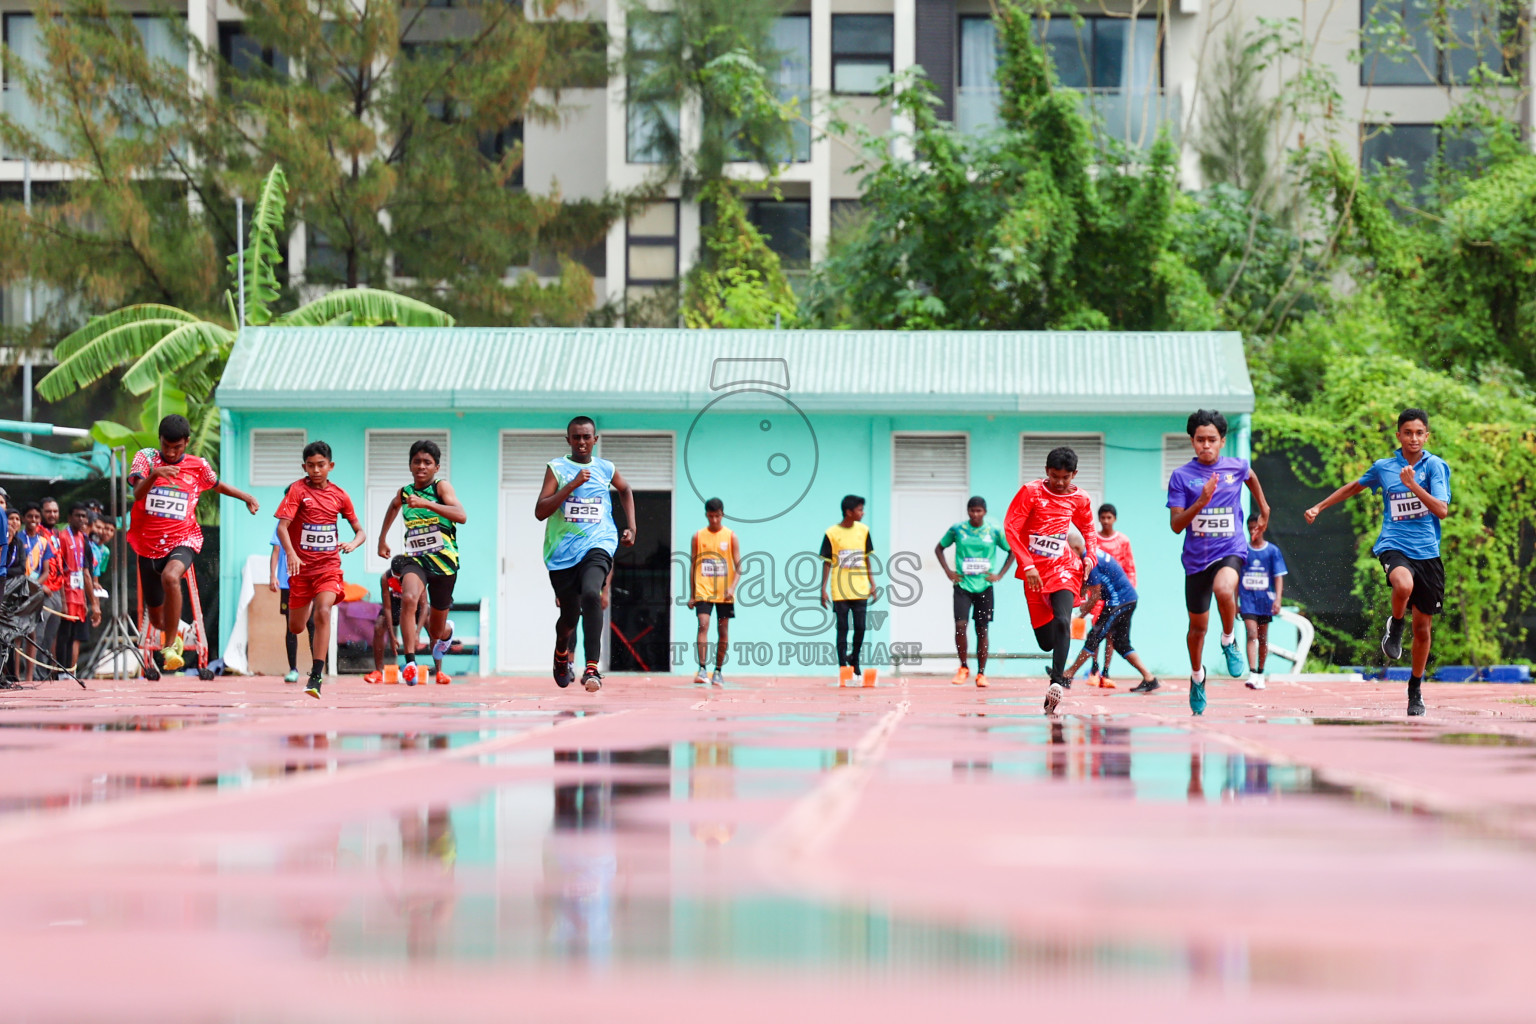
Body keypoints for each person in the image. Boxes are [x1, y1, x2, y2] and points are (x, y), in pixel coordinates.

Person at [1304, 408, 1449, 717]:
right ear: (1398, 436)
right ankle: (1396, 625)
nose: (1413, 438)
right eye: (1407, 432)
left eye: (1419, 433)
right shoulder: (1384, 468)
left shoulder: (1436, 467)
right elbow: (1354, 487)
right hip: (1394, 546)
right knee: (1402, 583)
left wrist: (1413, 485)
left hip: (1428, 555)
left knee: (1423, 630)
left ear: (1427, 436)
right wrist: (1320, 506)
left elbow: (1441, 510)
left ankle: (1415, 688)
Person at [128, 415, 260, 673]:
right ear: (160, 440)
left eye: (177, 447)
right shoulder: (146, 458)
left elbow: (217, 485)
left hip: (184, 538)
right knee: (156, 620)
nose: (171, 452)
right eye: (166, 446)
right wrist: (156, 474)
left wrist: (245, 496)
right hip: (148, 544)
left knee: (171, 577)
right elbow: (137, 493)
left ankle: (168, 649)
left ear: (187, 442)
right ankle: (175, 632)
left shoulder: (198, 466)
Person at [1167, 409, 1271, 716]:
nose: (1206, 446)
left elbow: (1250, 477)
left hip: (1231, 549)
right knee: (1197, 628)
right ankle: (1197, 677)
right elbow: (1176, 525)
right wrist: (1201, 500)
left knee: (1225, 590)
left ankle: (1229, 639)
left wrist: (1264, 508)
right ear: (1192, 441)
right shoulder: (1182, 477)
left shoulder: (1235, 467)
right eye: (1200, 440)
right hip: (1196, 560)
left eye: (1212, 439)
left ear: (1222, 441)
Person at [535, 416, 635, 694]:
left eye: (586, 437)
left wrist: (632, 527)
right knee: (569, 617)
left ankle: (592, 668)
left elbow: (625, 489)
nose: (581, 442)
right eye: (576, 437)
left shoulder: (606, 468)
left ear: (595, 440)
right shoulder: (557, 468)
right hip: (562, 553)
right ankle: (560, 652)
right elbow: (540, 511)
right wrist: (571, 485)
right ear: (568, 439)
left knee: (592, 594)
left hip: (598, 543)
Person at [1004, 447, 1097, 715]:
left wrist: (1090, 557)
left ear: (1074, 475)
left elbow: (1089, 529)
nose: (1059, 482)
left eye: (1065, 477)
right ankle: (1059, 653)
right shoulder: (1031, 492)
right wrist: (1028, 564)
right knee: (1046, 641)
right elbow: (1012, 529)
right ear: (1046, 471)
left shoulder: (1080, 498)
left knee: (1063, 620)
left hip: (1065, 568)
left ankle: (1056, 684)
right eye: (1055, 476)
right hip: (1034, 573)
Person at [275, 441, 365, 699]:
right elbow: (282, 528)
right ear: (304, 466)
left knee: (324, 611)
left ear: (330, 466)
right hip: (301, 570)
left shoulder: (340, 495)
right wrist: (291, 554)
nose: (316, 470)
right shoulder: (296, 490)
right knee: (295, 627)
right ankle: (308, 604)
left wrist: (353, 543)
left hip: (328, 568)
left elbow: (360, 531)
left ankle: (316, 676)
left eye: (321, 465)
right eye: (311, 466)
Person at [376, 440, 466, 686]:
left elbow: (461, 515)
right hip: (415, 560)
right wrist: (382, 538)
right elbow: (394, 507)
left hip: (445, 564)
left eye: (427, 462)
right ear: (410, 465)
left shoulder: (441, 487)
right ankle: (411, 663)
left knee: (436, 631)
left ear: (436, 467)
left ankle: (447, 632)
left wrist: (426, 504)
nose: (421, 467)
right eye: (417, 462)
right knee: (408, 598)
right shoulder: (405, 492)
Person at [935, 496, 1014, 688]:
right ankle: (963, 667)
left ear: (985, 512)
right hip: (962, 585)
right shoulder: (958, 529)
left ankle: (981, 673)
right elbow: (939, 548)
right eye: (972, 511)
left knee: (982, 629)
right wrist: (948, 571)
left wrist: (1000, 575)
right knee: (960, 626)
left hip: (984, 587)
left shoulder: (993, 530)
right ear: (968, 511)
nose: (975, 514)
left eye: (979, 511)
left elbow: (1012, 551)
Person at [1063, 533, 1159, 692]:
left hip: (1119, 600)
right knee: (1121, 643)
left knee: (1094, 636)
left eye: (1069, 551)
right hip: (1126, 599)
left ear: (1077, 548)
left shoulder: (1089, 559)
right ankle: (1149, 678)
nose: (1067, 555)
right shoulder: (1089, 555)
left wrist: (1081, 614)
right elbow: (1089, 584)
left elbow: (1096, 595)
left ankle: (1068, 675)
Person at [820, 494, 879, 687]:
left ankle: (855, 660)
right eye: (860, 510)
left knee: (861, 627)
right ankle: (842, 667)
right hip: (840, 590)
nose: (862, 513)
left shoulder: (864, 531)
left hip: (860, 589)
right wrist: (823, 589)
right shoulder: (831, 533)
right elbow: (827, 563)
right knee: (842, 629)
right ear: (849, 512)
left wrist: (873, 583)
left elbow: (867, 558)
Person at [687, 497, 741, 686]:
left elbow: (739, 566)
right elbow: (693, 566)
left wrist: (732, 588)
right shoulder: (698, 536)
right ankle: (702, 669)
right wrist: (692, 594)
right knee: (703, 624)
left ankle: (718, 671)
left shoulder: (730, 536)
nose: (714, 520)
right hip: (704, 589)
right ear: (706, 515)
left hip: (724, 593)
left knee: (723, 630)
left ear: (722, 515)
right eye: (711, 517)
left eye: (717, 516)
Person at [363, 556, 435, 685]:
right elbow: (387, 607)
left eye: (400, 577)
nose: (398, 580)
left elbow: (424, 606)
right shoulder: (386, 578)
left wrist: (417, 633)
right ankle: (378, 671)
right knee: (379, 625)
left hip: (416, 603)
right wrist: (391, 635)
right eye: (395, 576)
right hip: (396, 603)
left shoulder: (416, 577)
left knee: (432, 626)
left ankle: (440, 671)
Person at [1087, 503, 1135, 683]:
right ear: (1099, 519)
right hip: (1098, 594)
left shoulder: (1123, 541)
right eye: (1103, 517)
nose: (1106, 521)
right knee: (1096, 631)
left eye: (1109, 517)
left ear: (1114, 519)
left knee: (1112, 634)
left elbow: (1130, 566)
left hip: (1118, 595)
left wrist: (1128, 591)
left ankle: (1106, 672)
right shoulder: (1093, 541)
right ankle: (1094, 669)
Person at [1240, 520, 1289, 690]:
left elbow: (1278, 576)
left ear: (1262, 528)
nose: (1253, 530)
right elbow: (1234, 575)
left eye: (1256, 527)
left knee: (1262, 637)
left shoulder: (1272, 551)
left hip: (1264, 601)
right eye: (1250, 528)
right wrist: (1233, 601)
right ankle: (1252, 673)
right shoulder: (1242, 550)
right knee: (1251, 632)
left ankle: (1261, 673)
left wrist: (1278, 599)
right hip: (1247, 600)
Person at [267, 512, 314, 685]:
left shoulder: (310, 521)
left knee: (312, 624)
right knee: (291, 626)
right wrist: (272, 575)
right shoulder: (282, 526)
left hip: (308, 581)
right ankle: (293, 669)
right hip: (288, 583)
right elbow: (276, 551)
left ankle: (317, 669)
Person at [54, 504, 102, 673]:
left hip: (79, 595)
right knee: (62, 635)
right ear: (69, 518)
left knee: (74, 636)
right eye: (77, 515)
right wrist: (62, 599)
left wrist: (93, 603)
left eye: (83, 516)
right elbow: (58, 570)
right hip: (65, 593)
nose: (81, 519)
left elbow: (86, 573)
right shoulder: (62, 537)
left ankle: (69, 672)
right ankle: (59, 672)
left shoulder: (83, 539)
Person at [35, 497, 65, 673]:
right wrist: (39, 586)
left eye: (55, 511)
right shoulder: (37, 532)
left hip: (56, 591)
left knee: (50, 636)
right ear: (41, 513)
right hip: (42, 591)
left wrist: (62, 596)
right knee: (38, 634)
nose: (52, 514)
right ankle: (32, 674)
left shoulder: (56, 534)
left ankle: (43, 673)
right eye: (48, 511)